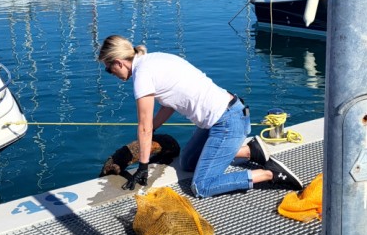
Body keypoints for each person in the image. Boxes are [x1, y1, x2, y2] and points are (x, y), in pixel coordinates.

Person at [98, 35, 304, 198]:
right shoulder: (153, 60)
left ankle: (271, 174)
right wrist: (152, 130)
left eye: (108, 70)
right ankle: (251, 151)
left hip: (227, 122)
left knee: (201, 186)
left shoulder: (141, 75)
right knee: (187, 162)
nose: (112, 74)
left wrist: (143, 167)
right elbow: (168, 106)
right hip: (225, 116)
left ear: (118, 63)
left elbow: (144, 127)